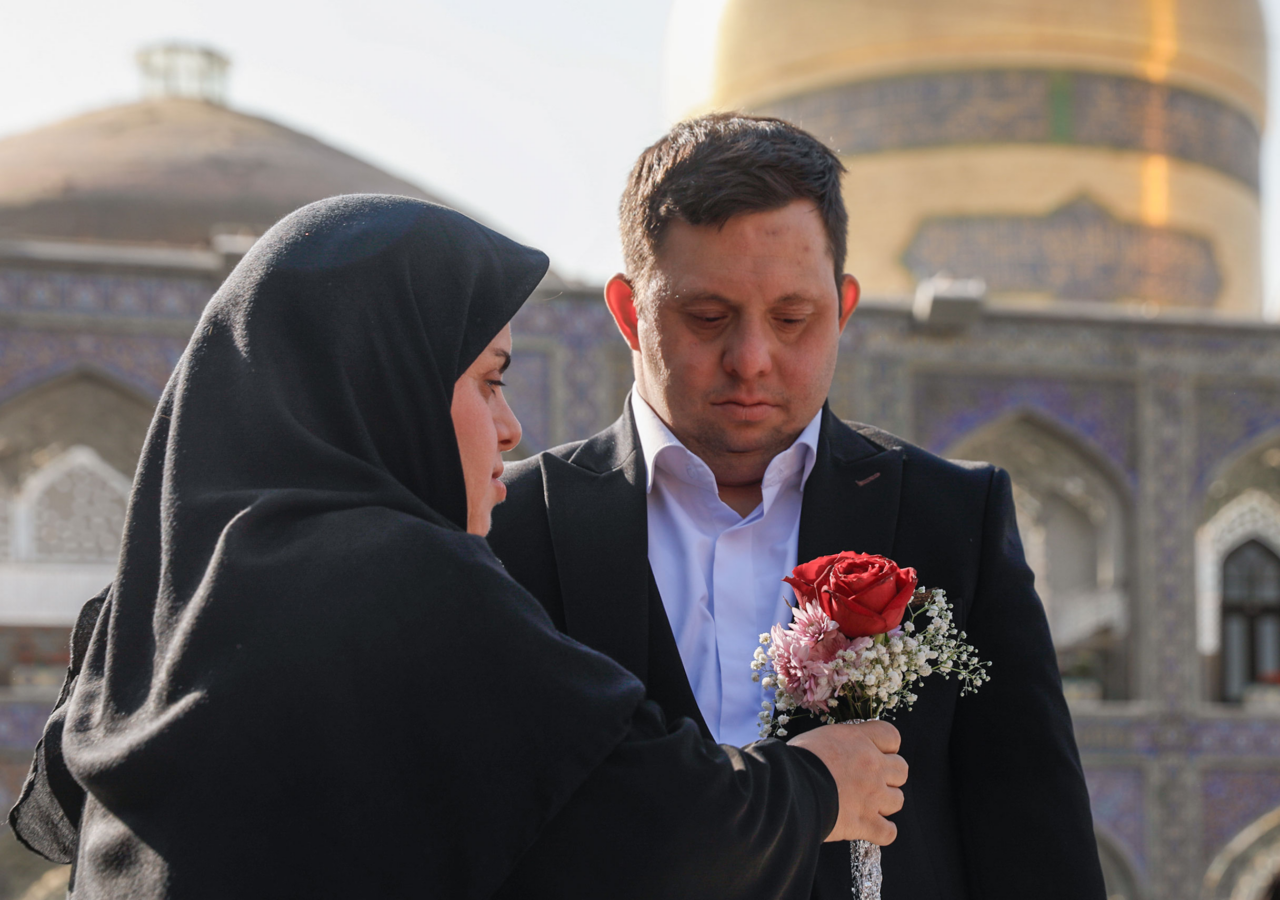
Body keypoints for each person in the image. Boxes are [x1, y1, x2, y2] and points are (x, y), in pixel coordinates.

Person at [8, 194, 909, 898]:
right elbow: (657, 827)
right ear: (386, 386)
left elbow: (56, 812)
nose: (510, 429)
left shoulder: (155, 596)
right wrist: (820, 787)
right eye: (487, 382)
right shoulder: (408, 582)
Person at [487, 114, 1109, 899]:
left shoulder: (952, 520)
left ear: (843, 308)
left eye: (792, 319)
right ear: (628, 313)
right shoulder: (512, 527)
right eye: (707, 317)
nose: (751, 359)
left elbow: (1035, 841)